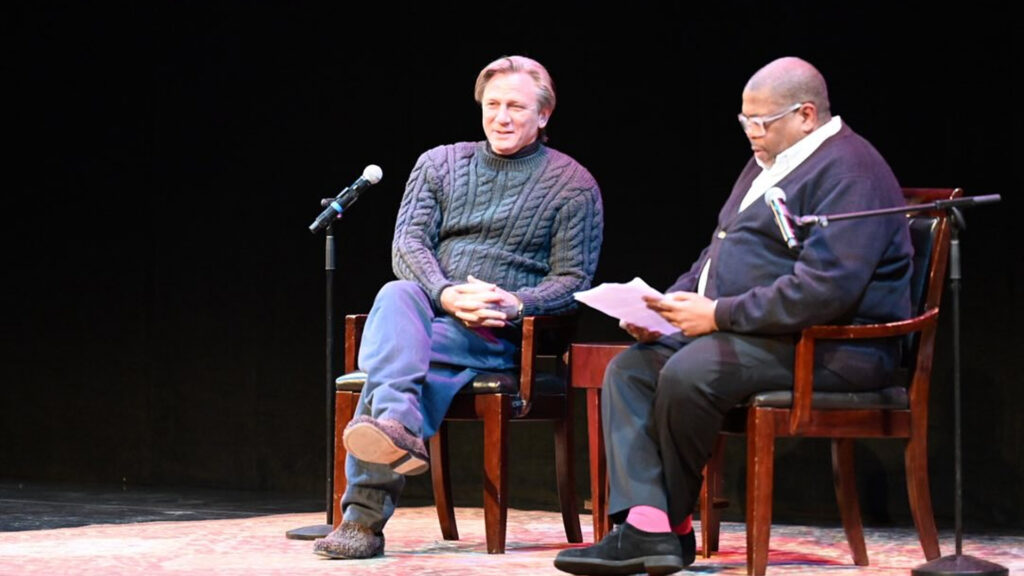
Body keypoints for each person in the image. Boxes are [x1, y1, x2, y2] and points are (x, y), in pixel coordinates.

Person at [554, 56, 913, 575]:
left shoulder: (851, 171)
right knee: (630, 370)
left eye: (762, 121)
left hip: (835, 348)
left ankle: (663, 526)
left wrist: (719, 315)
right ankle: (650, 526)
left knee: (692, 372)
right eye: (745, 120)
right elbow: (718, 252)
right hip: (762, 334)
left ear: (806, 115)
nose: (751, 133)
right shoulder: (769, 159)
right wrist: (665, 308)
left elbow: (827, 289)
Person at [313, 55, 604, 559]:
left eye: (516, 107)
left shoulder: (574, 184)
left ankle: (362, 518)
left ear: (544, 115)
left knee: (397, 357)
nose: (501, 117)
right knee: (396, 293)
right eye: (492, 105)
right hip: (432, 310)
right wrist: (446, 293)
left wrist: (514, 303)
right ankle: (399, 425)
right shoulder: (439, 163)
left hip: (495, 330)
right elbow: (407, 246)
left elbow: (573, 280)